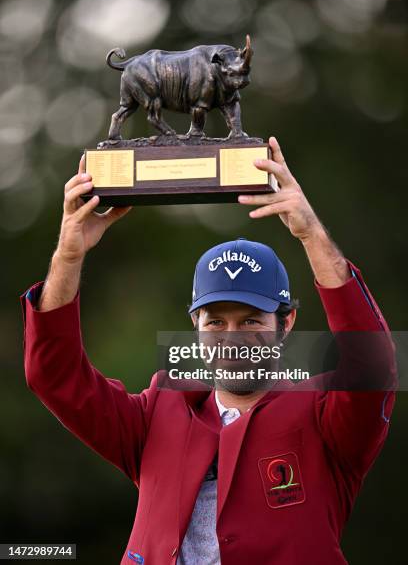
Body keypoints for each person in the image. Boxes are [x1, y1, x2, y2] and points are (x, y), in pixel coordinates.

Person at [20, 137, 396, 565]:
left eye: (251, 321)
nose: (231, 336)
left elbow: (373, 365)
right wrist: (68, 256)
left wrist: (311, 233)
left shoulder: (325, 416)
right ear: (195, 326)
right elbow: (54, 376)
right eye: (215, 321)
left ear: (286, 323)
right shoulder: (156, 415)